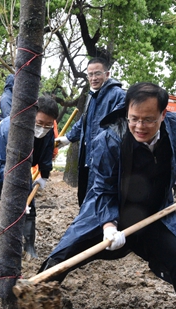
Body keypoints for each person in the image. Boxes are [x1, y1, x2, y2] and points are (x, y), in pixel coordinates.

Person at [39, 82, 176, 309]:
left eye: (148, 120)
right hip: (108, 212)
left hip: (152, 214)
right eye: (134, 118)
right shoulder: (110, 138)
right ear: (126, 112)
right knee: (63, 257)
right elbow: (102, 188)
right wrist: (108, 225)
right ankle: (37, 308)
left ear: (163, 114)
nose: (139, 126)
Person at [0, 95, 59, 258]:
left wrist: (44, 175)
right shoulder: (11, 128)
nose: (43, 128)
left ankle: (29, 246)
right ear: (31, 115)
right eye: (39, 123)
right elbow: (7, 166)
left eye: (48, 125)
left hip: (22, 166)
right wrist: (17, 195)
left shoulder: (49, 131)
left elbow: (46, 153)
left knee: (28, 206)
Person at [54, 57, 125, 206]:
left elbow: (117, 130)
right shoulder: (92, 96)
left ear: (107, 74)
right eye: (90, 74)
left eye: (97, 74)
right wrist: (68, 138)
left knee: (99, 199)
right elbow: (85, 122)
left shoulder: (118, 95)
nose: (93, 78)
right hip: (87, 157)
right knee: (85, 197)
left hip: (103, 158)